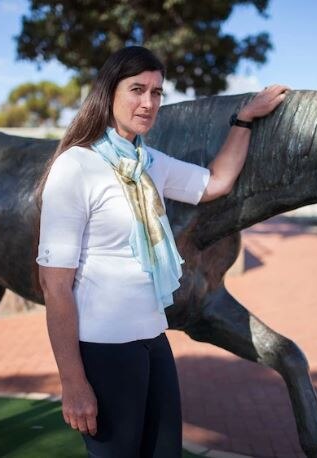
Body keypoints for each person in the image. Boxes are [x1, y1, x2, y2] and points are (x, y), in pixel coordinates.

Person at [35, 46, 289, 457]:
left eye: (157, 92)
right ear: (108, 92)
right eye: (137, 89)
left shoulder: (149, 162)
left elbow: (217, 182)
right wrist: (73, 382)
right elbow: (55, 285)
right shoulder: (75, 166)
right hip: (104, 350)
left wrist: (245, 118)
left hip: (154, 341)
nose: (149, 102)